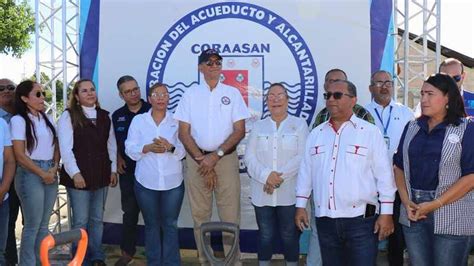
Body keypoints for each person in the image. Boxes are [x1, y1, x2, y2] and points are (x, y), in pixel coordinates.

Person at [295, 80, 396, 266]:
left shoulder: (370, 133)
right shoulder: (316, 134)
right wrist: (300, 206)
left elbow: (385, 177)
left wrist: (387, 213)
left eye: (337, 95)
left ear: (353, 100)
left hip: (361, 222)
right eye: (328, 95)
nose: (331, 99)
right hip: (325, 221)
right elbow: (306, 173)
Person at [174, 48, 250, 265]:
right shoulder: (190, 94)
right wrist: (201, 159)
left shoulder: (232, 93)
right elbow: (183, 132)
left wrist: (214, 157)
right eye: (209, 62)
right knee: (200, 214)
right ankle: (204, 260)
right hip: (197, 159)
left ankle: (232, 260)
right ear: (200, 67)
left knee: (230, 215)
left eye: (218, 62)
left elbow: (240, 130)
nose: (214, 66)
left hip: (224, 160)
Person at [393, 73, 474, 266]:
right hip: (413, 212)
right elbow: (398, 166)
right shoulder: (412, 126)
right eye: (422, 94)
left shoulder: (466, 128)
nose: (423, 99)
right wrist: (406, 201)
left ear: (447, 98)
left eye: (429, 94)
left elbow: (471, 177)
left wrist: (435, 203)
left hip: (452, 214)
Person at [244, 83, 308, 266]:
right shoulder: (259, 126)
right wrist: (266, 176)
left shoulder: (299, 125)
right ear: (266, 102)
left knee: (289, 234)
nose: (276, 99)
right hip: (261, 192)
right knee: (265, 234)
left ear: (288, 100)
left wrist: (276, 179)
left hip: (289, 192)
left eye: (280, 95)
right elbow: (249, 157)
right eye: (271, 96)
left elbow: (302, 156)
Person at [58, 79, 117, 266]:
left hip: (101, 173)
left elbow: (111, 145)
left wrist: (113, 169)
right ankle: (79, 258)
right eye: (84, 91)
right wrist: (75, 173)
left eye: (92, 89)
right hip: (79, 176)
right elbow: (65, 149)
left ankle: (97, 255)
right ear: (76, 96)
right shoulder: (68, 116)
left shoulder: (104, 116)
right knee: (80, 221)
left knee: (97, 219)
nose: (90, 93)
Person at [125, 83, 185, 265]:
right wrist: (147, 148)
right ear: (149, 99)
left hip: (173, 182)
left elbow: (184, 151)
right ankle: (154, 262)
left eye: (164, 94)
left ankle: (171, 263)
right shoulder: (139, 121)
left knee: (170, 225)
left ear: (169, 98)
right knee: (151, 225)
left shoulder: (177, 120)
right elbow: (130, 148)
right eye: (156, 94)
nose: (160, 98)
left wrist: (171, 147)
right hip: (146, 182)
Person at [365, 70, 414, 266]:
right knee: (368, 236)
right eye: (379, 83)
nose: (384, 86)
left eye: (388, 82)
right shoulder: (362, 113)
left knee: (396, 236)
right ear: (370, 88)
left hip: (396, 185)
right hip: (368, 185)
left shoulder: (406, 113)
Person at [10, 80, 60, 265]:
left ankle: (42, 262)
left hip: (49, 171)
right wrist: (42, 172)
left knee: (44, 225)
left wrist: (54, 167)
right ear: (24, 98)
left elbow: (56, 145)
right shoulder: (18, 120)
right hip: (30, 173)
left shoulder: (46, 118)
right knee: (32, 226)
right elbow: (19, 155)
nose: (42, 98)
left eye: (43, 94)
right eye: (38, 94)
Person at [111, 75, 151, 266]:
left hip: (151, 172)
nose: (133, 94)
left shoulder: (152, 109)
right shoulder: (116, 115)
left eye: (135, 89)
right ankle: (127, 252)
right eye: (128, 91)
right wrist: (117, 158)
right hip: (128, 172)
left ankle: (155, 252)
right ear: (121, 95)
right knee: (130, 213)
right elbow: (114, 143)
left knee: (154, 214)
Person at [0, 78, 20, 266]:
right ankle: (10, 262)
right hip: (7, 182)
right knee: (8, 226)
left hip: (29, 177)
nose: (6, 91)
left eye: (11, 87)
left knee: (34, 224)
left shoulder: (25, 115)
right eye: (1, 88)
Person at [0, 107, 16, 266]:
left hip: (2, 197)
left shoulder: (2, 124)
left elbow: (9, 160)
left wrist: (3, 190)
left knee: (0, 252)